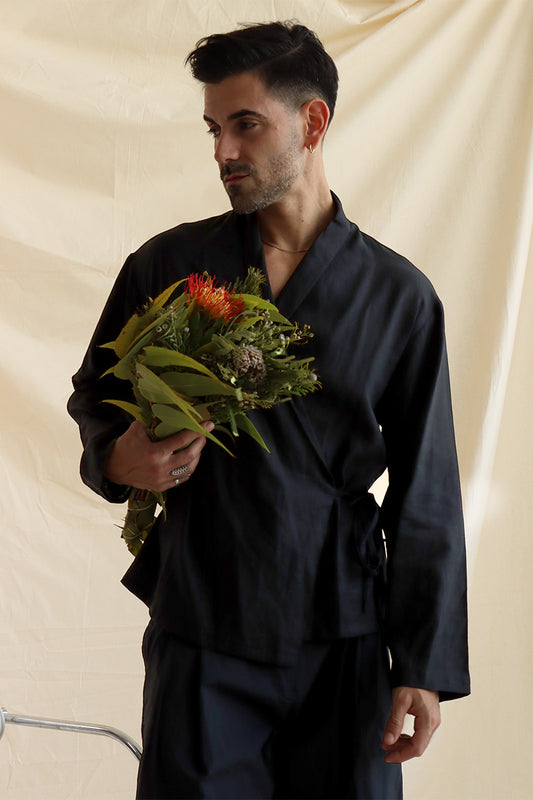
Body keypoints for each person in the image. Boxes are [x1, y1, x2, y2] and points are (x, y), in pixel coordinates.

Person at [68, 20, 470, 800]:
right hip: (202, 621)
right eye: (215, 129)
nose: (222, 151)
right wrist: (121, 457)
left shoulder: (398, 295)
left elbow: (427, 490)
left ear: (312, 122)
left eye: (245, 125)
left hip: (343, 633)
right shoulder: (170, 265)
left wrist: (421, 665)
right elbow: (97, 398)